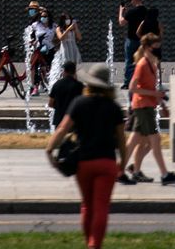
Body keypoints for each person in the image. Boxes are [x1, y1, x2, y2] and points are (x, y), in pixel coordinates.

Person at [47, 63, 128, 249]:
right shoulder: (114, 108)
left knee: (87, 205)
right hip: (106, 162)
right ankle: (94, 245)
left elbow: (62, 129)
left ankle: (88, 243)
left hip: (83, 161)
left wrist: (49, 149)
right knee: (101, 206)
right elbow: (122, 140)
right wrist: (122, 163)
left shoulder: (79, 103)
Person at [120, 32, 175, 185]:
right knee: (155, 140)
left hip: (145, 105)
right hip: (143, 106)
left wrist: (161, 103)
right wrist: (154, 94)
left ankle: (124, 171)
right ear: (148, 47)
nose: (158, 50)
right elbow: (132, 87)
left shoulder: (151, 63)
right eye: (156, 47)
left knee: (136, 141)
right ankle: (164, 174)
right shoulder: (142, 64)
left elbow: (149, 87)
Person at [118, 0, 158, 86]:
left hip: (131, 40)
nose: (130, 2)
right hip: (143, 41)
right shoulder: (147, 12)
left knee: (129, 61)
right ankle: (143, 81)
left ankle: (127, 83)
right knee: (143, 61)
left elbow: (121, 22)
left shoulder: (131, 12)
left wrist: (121, 11)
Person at [47, 60, 84, 129]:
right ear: (74, 72)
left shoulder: (57, 84)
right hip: (74, 120)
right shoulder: (79, 86)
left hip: (59, 120)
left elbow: (50, 103)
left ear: (64, 71)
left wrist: (59, 106)